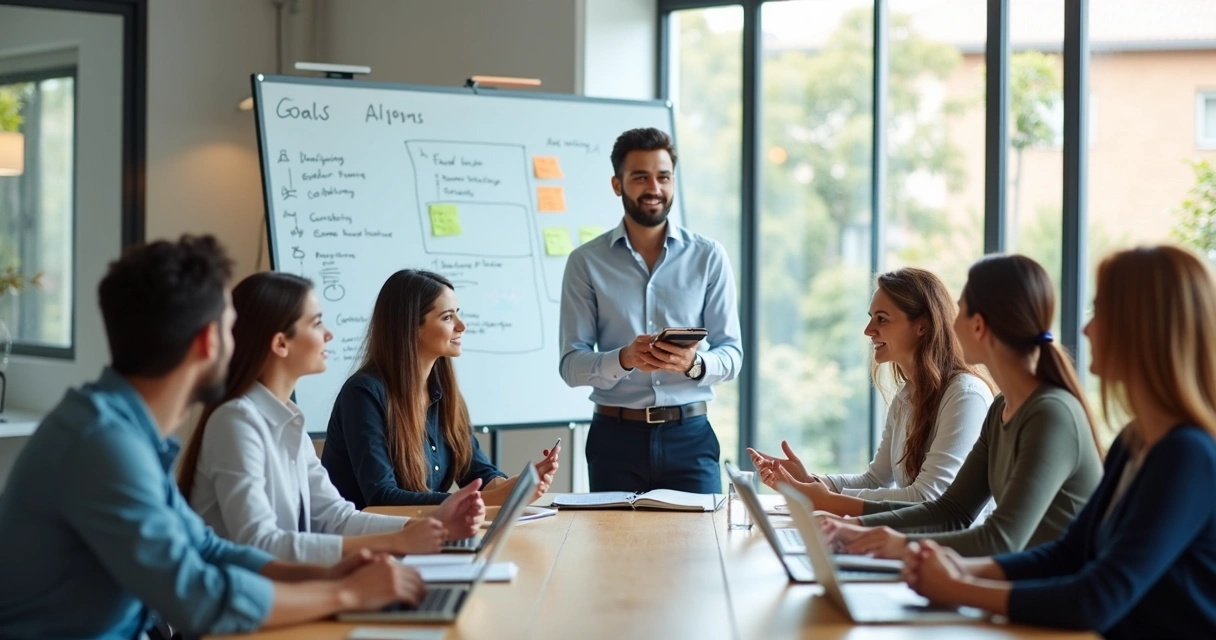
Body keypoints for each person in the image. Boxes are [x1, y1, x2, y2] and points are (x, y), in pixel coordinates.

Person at [0, 236, 426, 640]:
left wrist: (332, 572)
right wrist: (347, 593)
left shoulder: (119, 428)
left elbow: (207, 547)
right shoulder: (102, 444)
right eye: (231, 327)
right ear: (208, 342)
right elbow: (197, 598)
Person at [902, 245, 1216, 639]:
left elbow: (1097, 598)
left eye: (1100, 313)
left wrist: (960, 588)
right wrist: (958, 568)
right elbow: (1070, 553)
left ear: (1143, 328)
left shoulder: (1187, 456)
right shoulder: (1135, 442)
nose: (1086, 329)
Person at [177, 272, 485, 565]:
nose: (328, 334)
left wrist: (425, 526)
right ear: (281, 343)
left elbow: (337, 518)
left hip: (281, 594)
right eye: (316, 324)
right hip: (245, 610)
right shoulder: (236, 422)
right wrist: (399, 541)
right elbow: (261, 544)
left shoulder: (289, 422)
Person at [821, 255, 1103, 558]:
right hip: (1016, 587)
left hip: (1045, 598)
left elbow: (1001, 540)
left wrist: (895, 544)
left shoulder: (1050, 414)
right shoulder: (999, 409)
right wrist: (859, 528)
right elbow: (951, 510)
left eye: (961, 310)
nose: (952, 323)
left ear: (979, 325)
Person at [558, 127, 743, 493]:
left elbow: (732, 355)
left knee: (701, 548)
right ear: (617, 184)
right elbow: (570, 365)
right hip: (614, 441)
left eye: (663, 177)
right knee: (615, 550)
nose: (654, 188)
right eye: (640, 177)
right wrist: (624, 358)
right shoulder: (585, 262)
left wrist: (694, 364)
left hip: (690, 438)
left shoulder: (708, 256)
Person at [750, 268, 994, 516]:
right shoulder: (907, 395)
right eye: (871, 318)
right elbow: (876, 479)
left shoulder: (965, 396)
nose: (868, 330)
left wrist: (826, 499)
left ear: (922, 326)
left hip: (954, 552)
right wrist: (809, 481)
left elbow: (927, 497)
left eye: (882, 319)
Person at [324, 269, 558, 507]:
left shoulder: (443, 392)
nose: (462, 326)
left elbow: (477, 471)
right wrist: (487, 499)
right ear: (410, 327)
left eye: (457, 314)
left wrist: (518, 484)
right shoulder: (363, 394)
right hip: (367, 539)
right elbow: (382, 498)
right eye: (447, 318)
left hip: (420, 535)